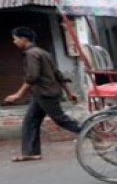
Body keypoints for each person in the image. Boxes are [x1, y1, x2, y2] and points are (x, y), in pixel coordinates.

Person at [3, 26, 81, 162]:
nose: (14, 42)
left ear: (23, 39)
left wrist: (18, 95)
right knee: (30, 121)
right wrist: (69, 92)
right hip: (41, 94)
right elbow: (58, 74)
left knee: (61, 119)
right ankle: (31, 153)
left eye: (15, 39)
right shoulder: (43, 52)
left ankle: (91, 132)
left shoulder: (31, 54)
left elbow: (32, 77)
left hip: (45, 94)